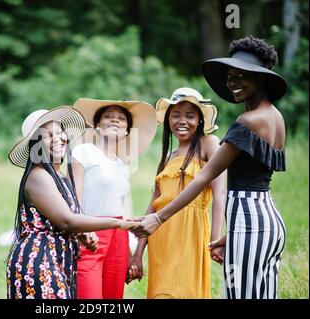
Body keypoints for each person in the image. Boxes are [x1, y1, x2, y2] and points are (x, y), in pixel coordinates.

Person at [130, 36, 288, 299]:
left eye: (241, 75)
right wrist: (234, 231)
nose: (232, 82)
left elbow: (205, 176)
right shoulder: (275, 116)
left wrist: (158, 218)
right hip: (264, 221)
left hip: (251, 222)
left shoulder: (248, 120)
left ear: (260, 78)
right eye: (230, 75)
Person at [6, 106, 136, 299]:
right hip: (40, 261)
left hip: (59, 259)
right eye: (48, 136)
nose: (58, 139)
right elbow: (67, 220)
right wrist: (117, 223)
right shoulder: (38, 176)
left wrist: (81, 235)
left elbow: (60, 221)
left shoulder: (61, 178)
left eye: (60, 133)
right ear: (36, 145)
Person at [126, 87, 226, 298]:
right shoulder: (167, 157)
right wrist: (137, 254)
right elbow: (154, 205)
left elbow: (220, 194)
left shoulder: (208, 144)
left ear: (200, 119)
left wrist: (214, 240)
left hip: (190, 234)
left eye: (190, 115)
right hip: (162, 237)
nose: (182, 121)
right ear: (169, 119)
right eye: (176, 115)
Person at [71, 98, 157, 299]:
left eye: (121, 119)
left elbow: (121, 208)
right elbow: (74, 198)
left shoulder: (121, 164)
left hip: (118, 236)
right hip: (90, 231)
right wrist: (85, 230)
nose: (115, 120)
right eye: (108, 117)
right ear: (97, 126)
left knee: (113, 295)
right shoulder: (84, 152)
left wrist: (128, 252)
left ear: (127, 131)